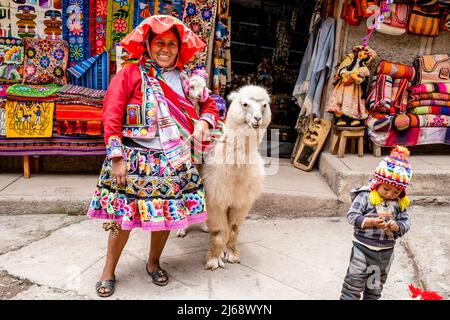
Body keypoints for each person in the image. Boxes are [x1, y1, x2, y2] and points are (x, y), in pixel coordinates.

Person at [87, 15, 219, 298]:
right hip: (135, 157)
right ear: (148, 44)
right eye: (160, 42)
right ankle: (108, 270)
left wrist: (204, 122)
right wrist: (116, 158)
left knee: (166, 217)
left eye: (172, 44)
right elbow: (111, 113)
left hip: (173, 160)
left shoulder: (187, 78)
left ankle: (153, 262)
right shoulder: (130, 74)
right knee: (123, 220)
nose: (165, 49)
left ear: (179, 48)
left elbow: (211, 104)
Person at [340, 146, 412, 300]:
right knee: (352, 286)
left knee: (374, 289)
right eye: (386, 189)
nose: (390, 194)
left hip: (385, 254)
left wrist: (397, 226)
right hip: (362, 249)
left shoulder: (399, 203)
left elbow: (406, 222)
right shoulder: (365, 196)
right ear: (378, 182)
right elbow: (351, 216)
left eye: (396, 192)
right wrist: (371, 222)